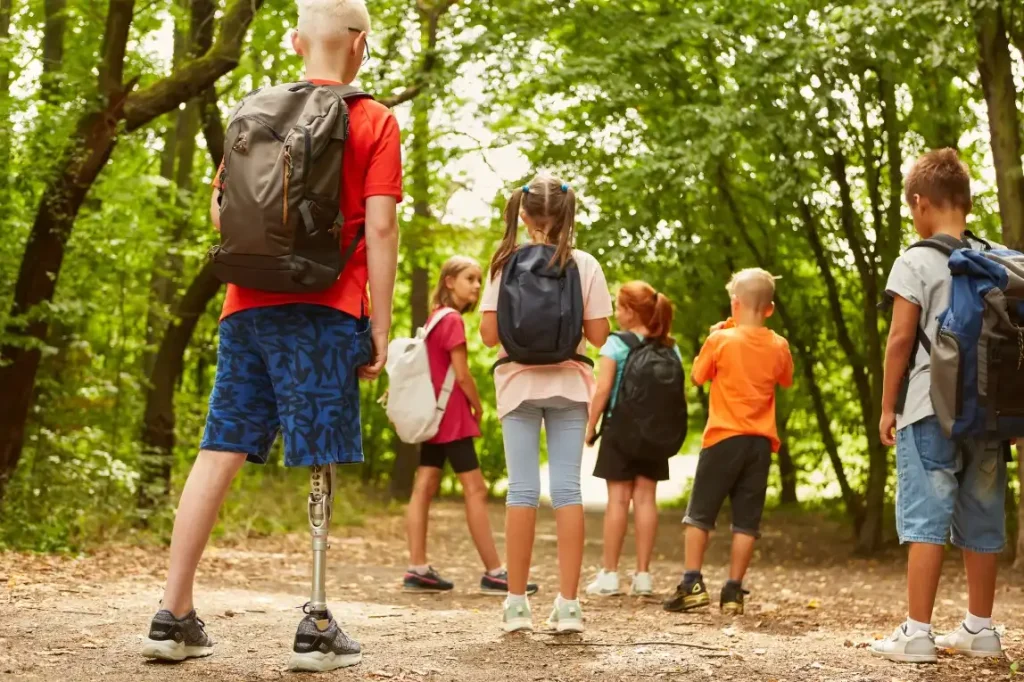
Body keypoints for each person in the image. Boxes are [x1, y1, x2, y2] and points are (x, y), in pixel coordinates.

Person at [141, 0, 402, 672]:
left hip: (245, 306)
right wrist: (379, 324)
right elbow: (379, 228)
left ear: (294, 42)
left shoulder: (252, 111)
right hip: (324, 306)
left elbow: (221, 209)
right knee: (319, 453)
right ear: (361, 46)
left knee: (219, 448)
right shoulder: (372, 118)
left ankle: (173, 616)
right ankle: (315, 625)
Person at [871, 148, 1006, 664]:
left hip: (930, 408)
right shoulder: (996, 260)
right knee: (983, 513)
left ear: (920, 203)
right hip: (990, 410)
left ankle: (918, 634)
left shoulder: (916, 260)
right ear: (967, 203)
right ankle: (980, 628)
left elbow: (900, 341)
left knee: (927, 516)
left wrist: (888, 407)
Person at [480, 173, 612, 633]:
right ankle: (570, 606)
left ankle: (517, 605)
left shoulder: (504, 262)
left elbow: (489, 334)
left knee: (521, 492)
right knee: (568, 491)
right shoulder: (584, 263)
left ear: (523, 213)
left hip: (517, 384)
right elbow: (598, 336)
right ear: (566, 213)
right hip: (570, 385)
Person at [403, 256, 538, 596]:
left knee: (424, 485)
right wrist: (478, 406)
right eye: (470, 278)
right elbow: (461, 375)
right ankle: (494, 572)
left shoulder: (434, 318)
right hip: (451, 416)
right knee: (475, 490)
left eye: (479, 280)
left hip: (433, 415)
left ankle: (417, 568)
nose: (477, 286)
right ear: (449, 281)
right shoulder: (452, 321)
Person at [663, 268, 793, 616]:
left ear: (735, 304)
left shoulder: (721, 340)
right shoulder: (779, 344)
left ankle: (692, 583)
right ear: (769, 309)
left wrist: (714, 336)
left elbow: (697, 376)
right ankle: (733, 592)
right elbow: (786, 378)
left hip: (723, 437)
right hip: (760, 444)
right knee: (746, 521)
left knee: (700, 514)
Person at [585, 281, 681, 597]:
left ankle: (610, 575)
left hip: (620, 431)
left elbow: (602, 390)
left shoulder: (615, 344)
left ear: (630, 312)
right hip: (655, 434)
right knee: (645, 499)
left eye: (618, 306)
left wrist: (590, 425)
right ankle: (643, 576)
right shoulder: (670, 346)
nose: (615, 311)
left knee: (618, 500)